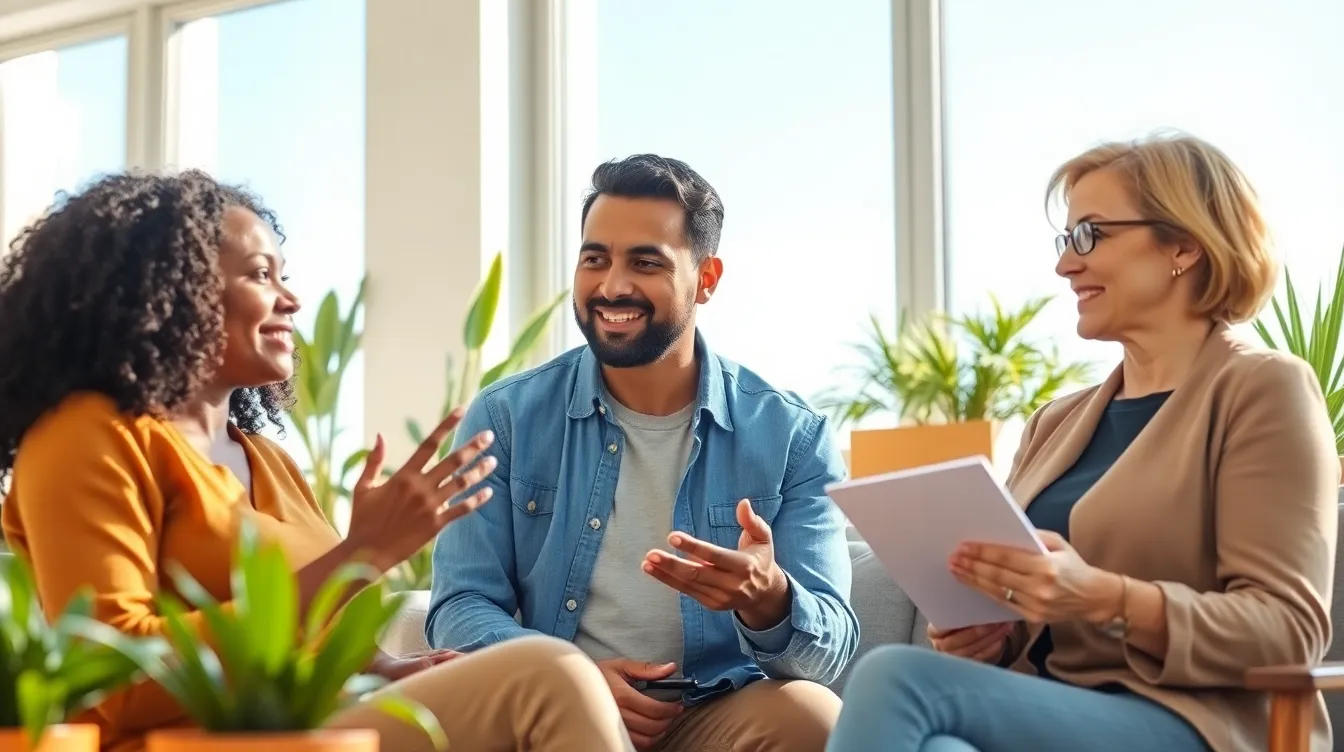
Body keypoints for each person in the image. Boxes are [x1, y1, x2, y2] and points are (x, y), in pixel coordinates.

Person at [0, 170, 635, 752]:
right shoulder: (87, 436)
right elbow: (114, 679)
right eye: (258, 275)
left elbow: (312, 644)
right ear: (170, 289)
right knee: (549, 675)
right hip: (192, 744)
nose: (291, 300)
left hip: (309, 733)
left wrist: (387, 671)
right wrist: (359, 555)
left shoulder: (268, 461)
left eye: (283, 275)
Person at [825, 131, 1340, 752]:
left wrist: (1104, 598)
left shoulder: (1263, 390)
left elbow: (1287, 631)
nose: (1066, 263)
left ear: (1184, 244)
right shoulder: (1056, 422)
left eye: (1090, 234)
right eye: (1066, 239)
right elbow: (1030, 619)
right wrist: (990, 636)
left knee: (893, 676)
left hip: (1201, 723)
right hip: (1054, 710)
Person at [425, 154, 857, 751]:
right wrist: (572, 680)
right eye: (595, 258)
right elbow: (460, 604)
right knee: (562, 693)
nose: (613, 286)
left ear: (706, 278)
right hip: (553, 708)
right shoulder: (505, 418)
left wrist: (769, 600)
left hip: (711, 709)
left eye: (645, 262)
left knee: (813, 715)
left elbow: (828, 649)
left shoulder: (791, 435)